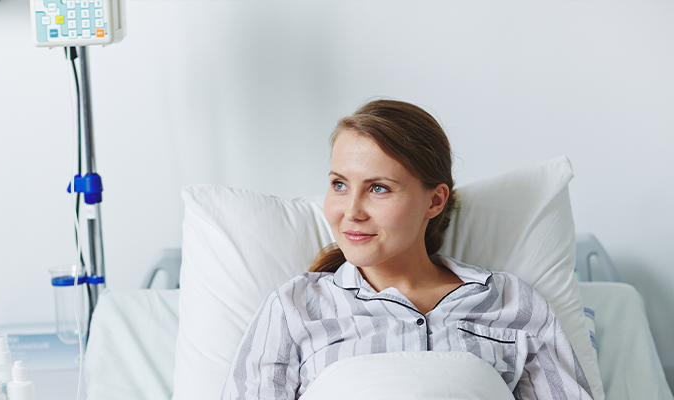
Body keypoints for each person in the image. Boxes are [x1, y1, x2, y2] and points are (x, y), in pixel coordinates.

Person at [221, 100, 593, 400]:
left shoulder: (510, 303)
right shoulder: (295, 308)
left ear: (434, 201)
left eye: (378, 188)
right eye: (339, 184)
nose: (351, 211)